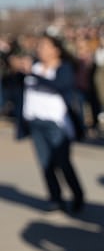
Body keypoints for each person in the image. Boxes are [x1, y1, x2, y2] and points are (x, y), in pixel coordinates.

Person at [13, 34, 86, 214]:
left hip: (57, 123)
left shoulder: (63, 68)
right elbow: (15, 87)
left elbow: (59, 85)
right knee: (45, 163)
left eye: (45, 46)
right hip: (36, 122)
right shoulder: (34, 67)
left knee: (63, 162)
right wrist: (16, 68)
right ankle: (55, 198)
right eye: (39, 46)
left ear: (56, 50)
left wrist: (31, 73)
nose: (41, 50)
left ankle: (77, 195)